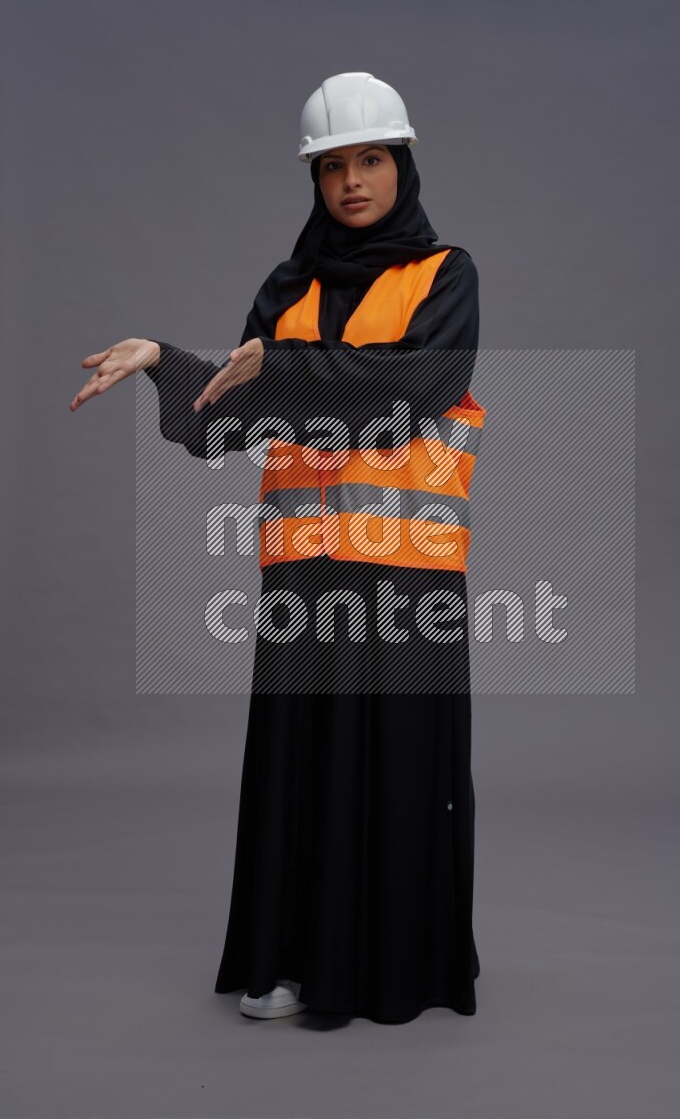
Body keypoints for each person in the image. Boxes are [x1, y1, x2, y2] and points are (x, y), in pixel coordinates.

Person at [70, 71, 486, 1024]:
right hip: (304, 573)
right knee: (302, 757)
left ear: (402, 164)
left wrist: (283, 368)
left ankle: (395, 970)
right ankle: (291, 960)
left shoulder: (446, 274)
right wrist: (167, 365)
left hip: (409, 573)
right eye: (333, 165)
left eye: (371, 159)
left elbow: (418, 384)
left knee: (398, 763)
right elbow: (232, 421)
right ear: (316, 179)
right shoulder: (286, 290)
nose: (352, 180)